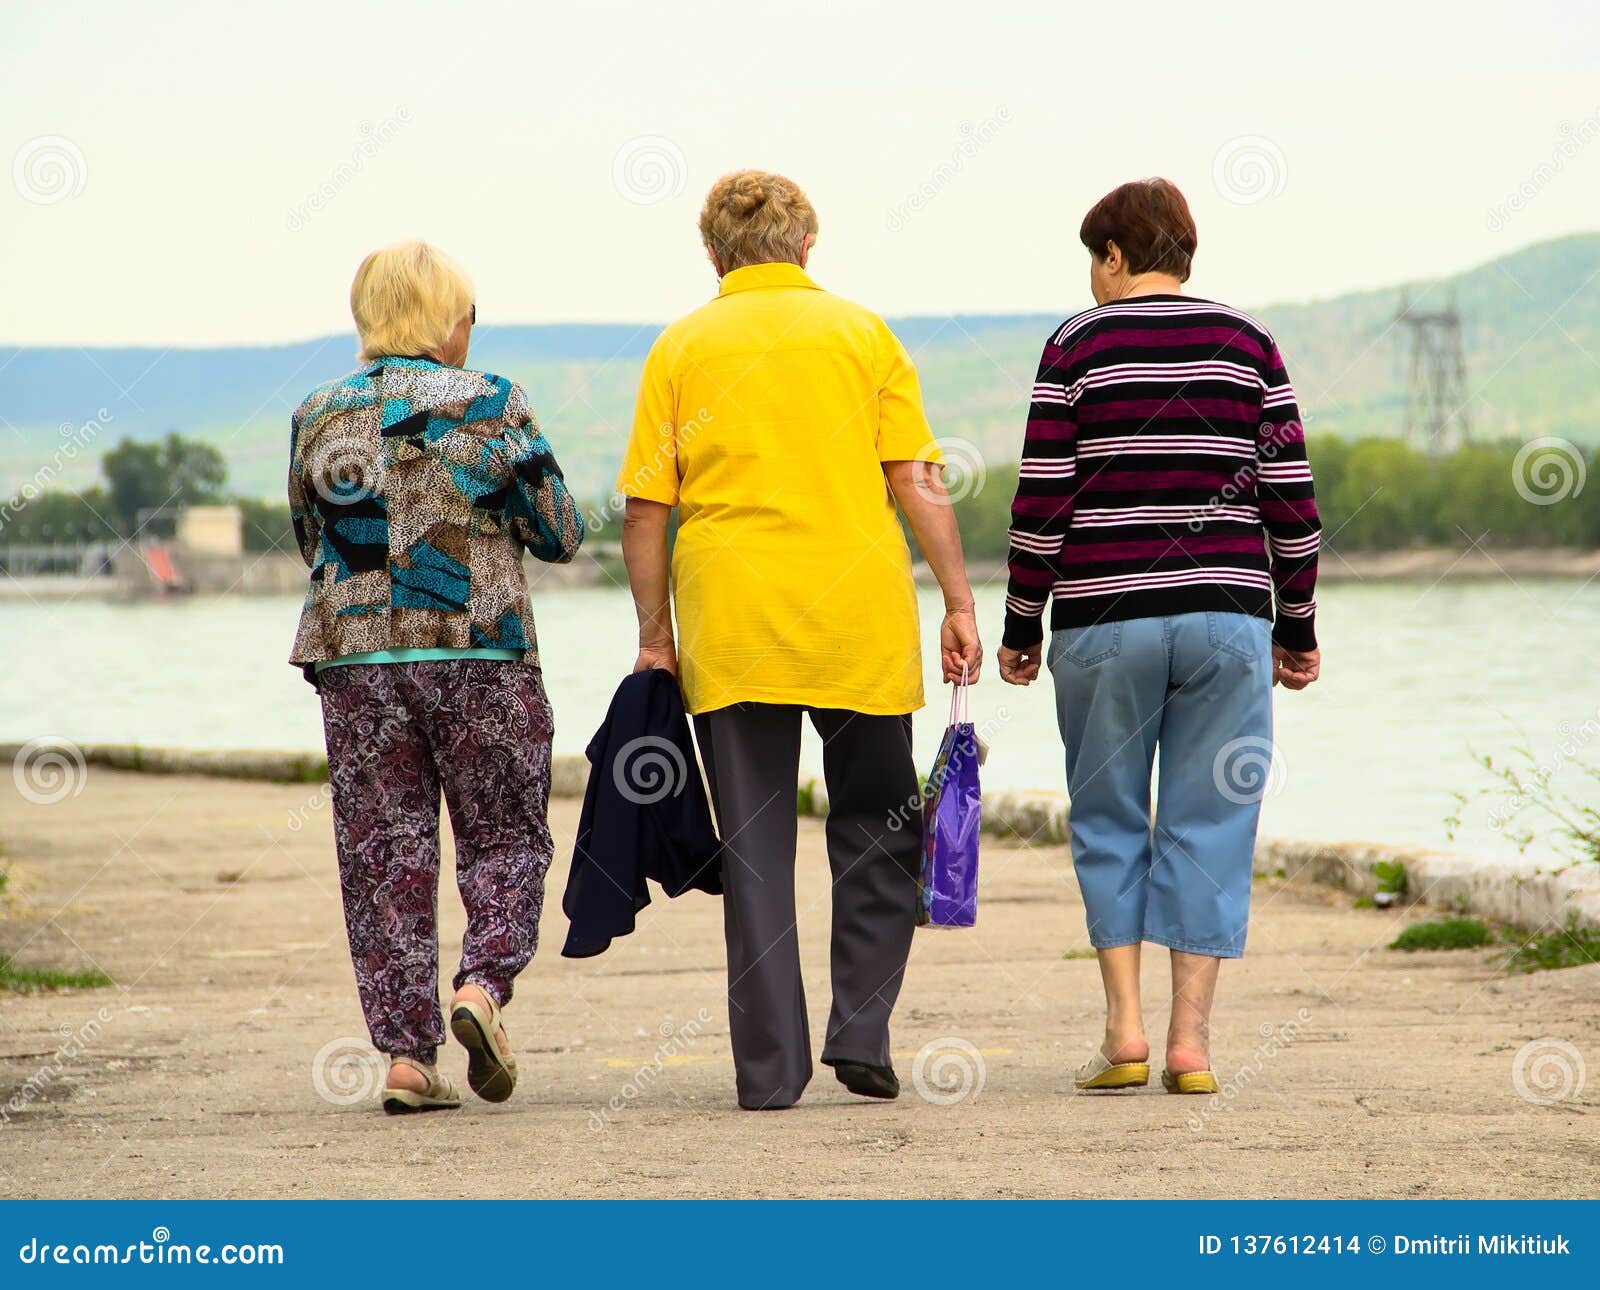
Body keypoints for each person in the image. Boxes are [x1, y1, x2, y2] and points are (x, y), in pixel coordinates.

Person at [616, 170, 982, 1110]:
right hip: (855, 614)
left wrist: (655, 636)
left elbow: (646, 509)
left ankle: (770, 1072)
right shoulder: (861, 334)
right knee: (878, 823)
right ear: (808, 247)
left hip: (732, 621)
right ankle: (861, 1030)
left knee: (755, 847)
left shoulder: (681, 347)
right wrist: (958, 599)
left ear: (712, 254)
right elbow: (916, 478)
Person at [996, 178, 1321, 1095]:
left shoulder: (1074, 345)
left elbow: (1042, 502)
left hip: (1103, 619)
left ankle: (1124, 1032)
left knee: (1107, 817)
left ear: (1112, 255)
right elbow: (1291, 504)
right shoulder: (1250, 344)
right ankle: (1191, 1045)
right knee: (1211, 820)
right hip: (1227, 621)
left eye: (1091, 260)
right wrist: (1294, 627)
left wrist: (1023, 624)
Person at [288, 241, 584, 1113]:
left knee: (384, 855)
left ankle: (408, 1059)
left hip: (357, 662)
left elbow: (312, 538)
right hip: (478, 654)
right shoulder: (492, 401)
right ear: (443, 320)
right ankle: (482, 987)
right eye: (467, 312)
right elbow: (559, 529)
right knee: (503, 835)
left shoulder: (318, 411)